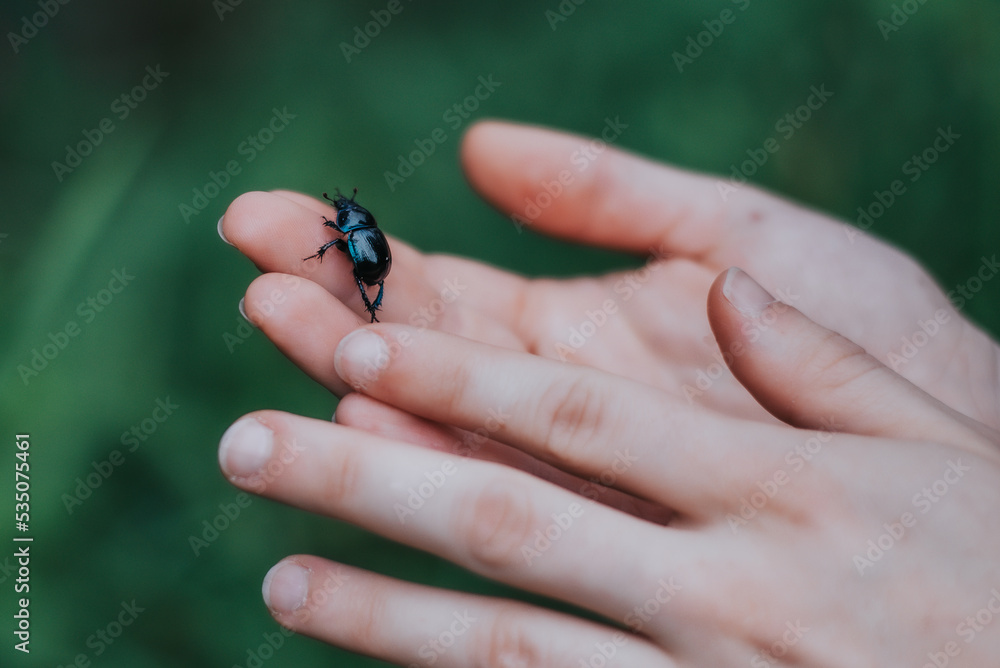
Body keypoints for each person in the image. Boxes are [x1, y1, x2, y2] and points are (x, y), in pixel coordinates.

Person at [217, 120, 1000, 667]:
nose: (344, 223)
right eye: (344, 221)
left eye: (344, 220)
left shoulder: (352, 234)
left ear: (350, 220)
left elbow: (352, 251)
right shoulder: (356, 230)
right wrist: (974, 396)